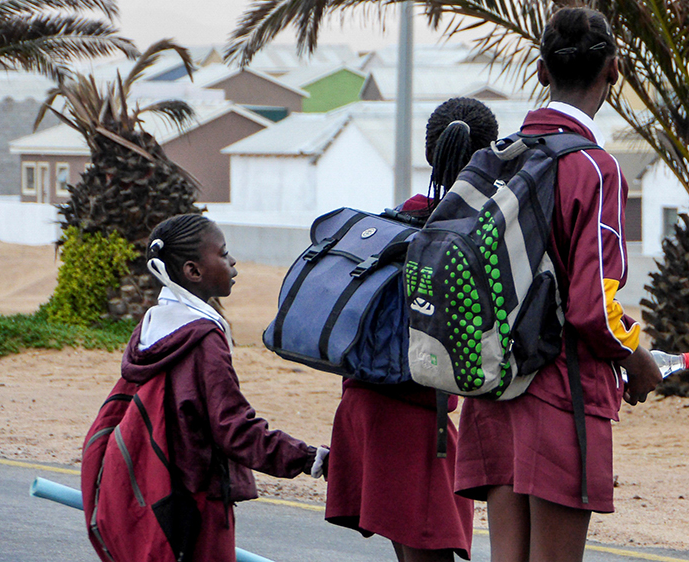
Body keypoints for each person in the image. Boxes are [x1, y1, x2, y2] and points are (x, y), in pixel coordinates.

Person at [453, 8, 663, 562]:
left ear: (541, 71)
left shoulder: (496, 158)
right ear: (614, 69)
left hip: (494, 389)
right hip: (560, 395)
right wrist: (636, 357)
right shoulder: (594, 168)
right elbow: (593, 307)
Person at [323, 97, 499, 562]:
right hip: (417, 420)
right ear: (491, 158)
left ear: (429, 153)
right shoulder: (476, 234)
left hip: (362, 405)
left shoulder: (393, 220)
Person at [122, 213, 328, 561]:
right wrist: (308, 459)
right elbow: (232, 427)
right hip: (199, 498)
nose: (232, 262)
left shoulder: (151, 327)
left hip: (156, 490)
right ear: (193, 271)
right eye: (223, 253)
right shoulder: (203, 338)